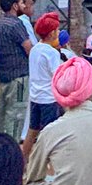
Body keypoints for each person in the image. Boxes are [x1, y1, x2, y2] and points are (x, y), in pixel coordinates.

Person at [0, 0, 34, 142]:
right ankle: (12, 145)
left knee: (1, 112)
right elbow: (28, 48)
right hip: (20, 75)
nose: (24, 6)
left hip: (4, 75)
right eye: (22, 3)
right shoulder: (17, 24)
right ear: (15, 6)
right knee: (16, 114)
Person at [25, 12, 67, 153]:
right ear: (51, 33)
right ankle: (44, 165)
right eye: (56, 29)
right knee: (50, 135)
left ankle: (23, 162)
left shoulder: (35, 49)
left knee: (32, 130)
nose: (58, 31)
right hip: (48, 98)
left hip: (35, 96)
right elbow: (57, 75)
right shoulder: (52, 52)